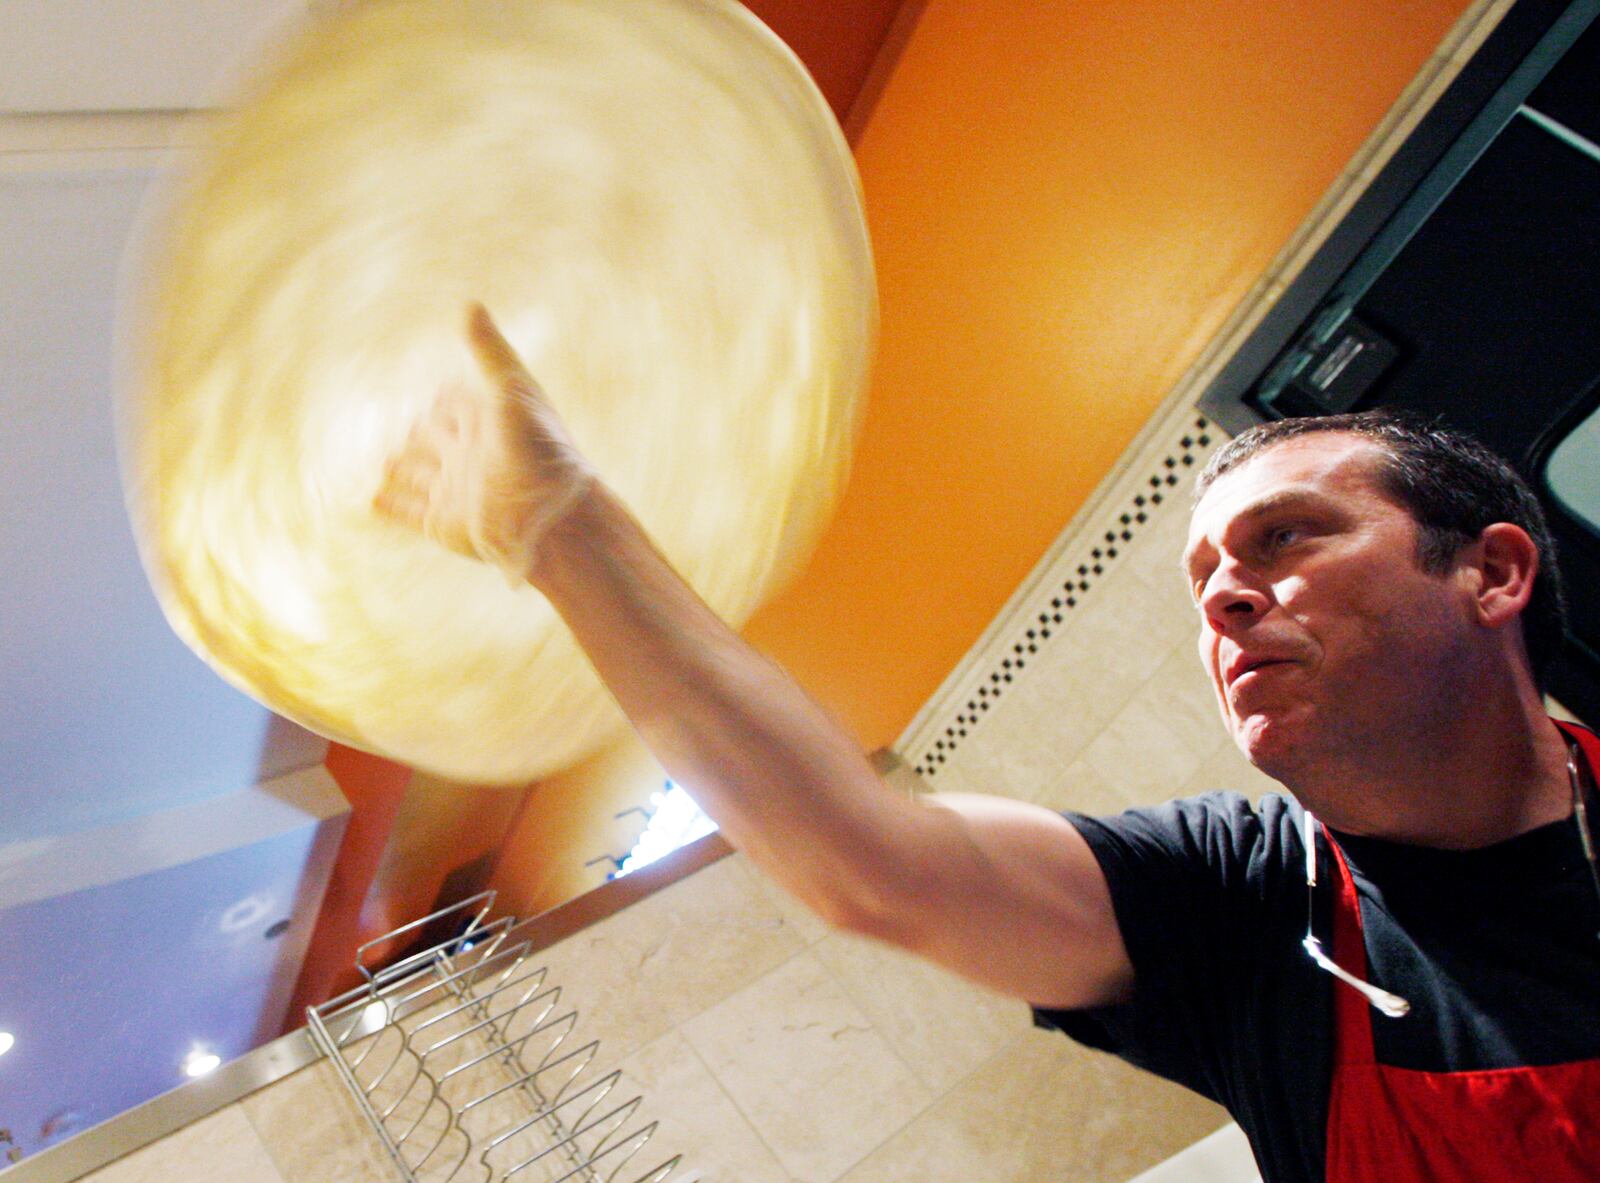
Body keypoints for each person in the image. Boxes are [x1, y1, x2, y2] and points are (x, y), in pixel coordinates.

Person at [375, 305, 1600, 1183]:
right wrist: (557, 526)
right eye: (1202, 578)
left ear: (1489, 572)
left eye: (1283, 540)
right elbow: (874, 864)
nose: (1223, 598)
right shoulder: (1243, 900)